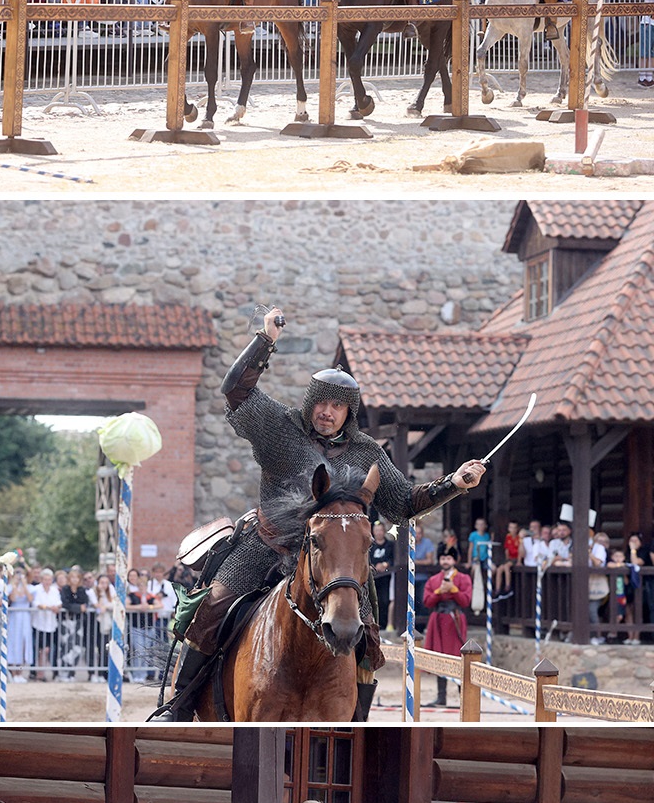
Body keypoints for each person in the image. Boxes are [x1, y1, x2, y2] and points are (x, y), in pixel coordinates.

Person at [163, 306, 485, 724]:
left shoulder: (366, 451)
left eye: (337, 406)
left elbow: (403, 503)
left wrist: (454, 483)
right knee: (211, 611)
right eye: (322, 403)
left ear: (349, 412)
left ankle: (357, 723)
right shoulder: (279, 428)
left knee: (367, 640)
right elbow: (236, 392)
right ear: (311, 403)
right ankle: (180, 705)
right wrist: (265, 341)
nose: (327, 412)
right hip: (267, 547)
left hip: (336, 561)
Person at [422, 538, 473, 705]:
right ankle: (441, 696)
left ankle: (463, 698)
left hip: (455, 619)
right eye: (443, 558)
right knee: (439, 657)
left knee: (458, 657)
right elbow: (427, 601)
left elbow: (466, 601)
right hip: (437, 620)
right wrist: (439, 591)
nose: (445, 561)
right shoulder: (433, 580)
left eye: (449, 558)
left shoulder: (464, 578)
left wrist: (453, 590)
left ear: (454, 560)